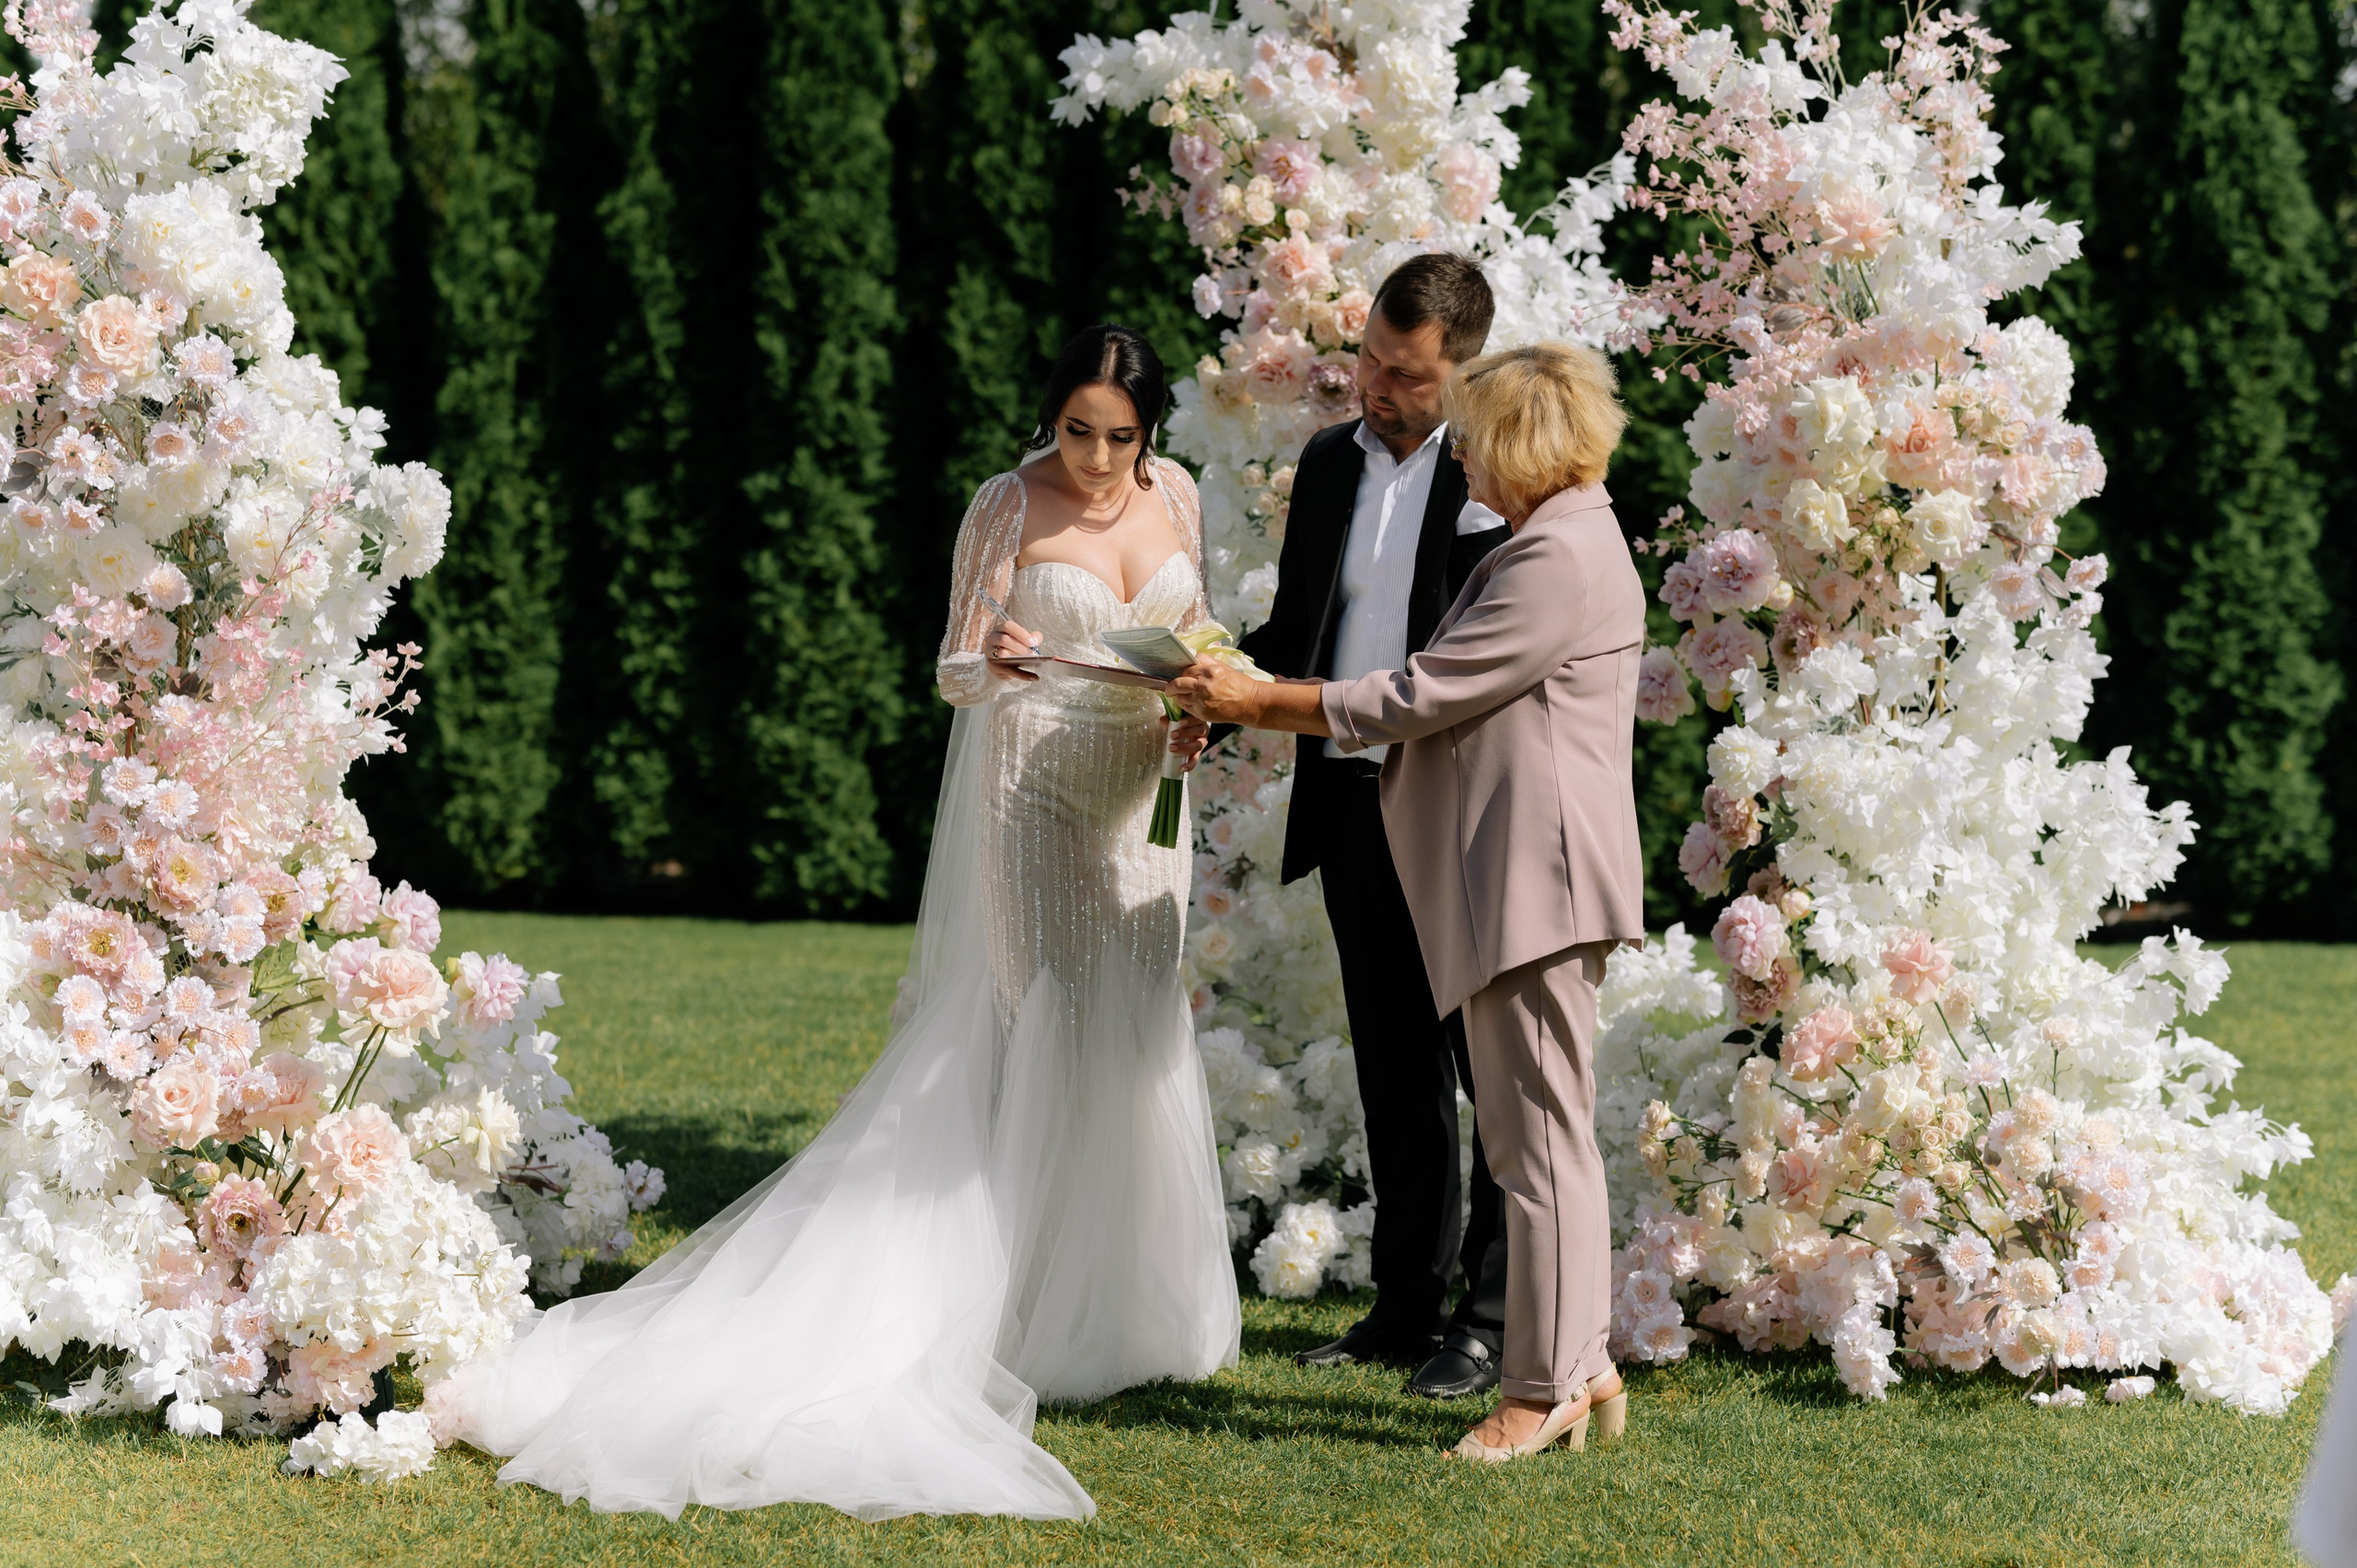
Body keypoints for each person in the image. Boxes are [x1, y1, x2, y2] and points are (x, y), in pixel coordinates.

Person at [432, 325, 1242, 1520]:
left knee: (1130, 1029)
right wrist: (1004, 657)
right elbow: (954, 667)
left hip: (1138, 802)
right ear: (1050, 420)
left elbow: (1200, 639)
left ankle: (1123, 1303)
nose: (1099, 458)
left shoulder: (1175, 493)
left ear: (1152, 433)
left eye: (1121, 436)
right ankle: (1010, 1306)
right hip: (1033, 800)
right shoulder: (1005, 504)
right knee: (1037, 1023)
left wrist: (1196, 709)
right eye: (1079, 431)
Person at [1172, 340, 1644, 1461]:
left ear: (1522, 447)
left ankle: (1540, 1385)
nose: (1463, 460)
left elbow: (1419, 692)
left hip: (1535, 877)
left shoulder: (1554, 557)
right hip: (1529, 873)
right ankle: (1582, 1361)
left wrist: (1260, 696)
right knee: (1545, 1142)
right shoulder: (1566, 534)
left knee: (1534, 1150)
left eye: (1477, 441)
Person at [1229, 252, 1517, 1399]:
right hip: (1347, 795)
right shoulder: (1322, 460)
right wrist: (1218, 682)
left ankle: (1490, 1320)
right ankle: (1404, 1307)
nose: (1374, 387)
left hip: (1453, 807)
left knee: (1482, 1069)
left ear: (1462, 370)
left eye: (1402, 372)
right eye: (1366, 359)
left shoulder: (1501, 474)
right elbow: (1303, 626)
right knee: (1393, 1069)